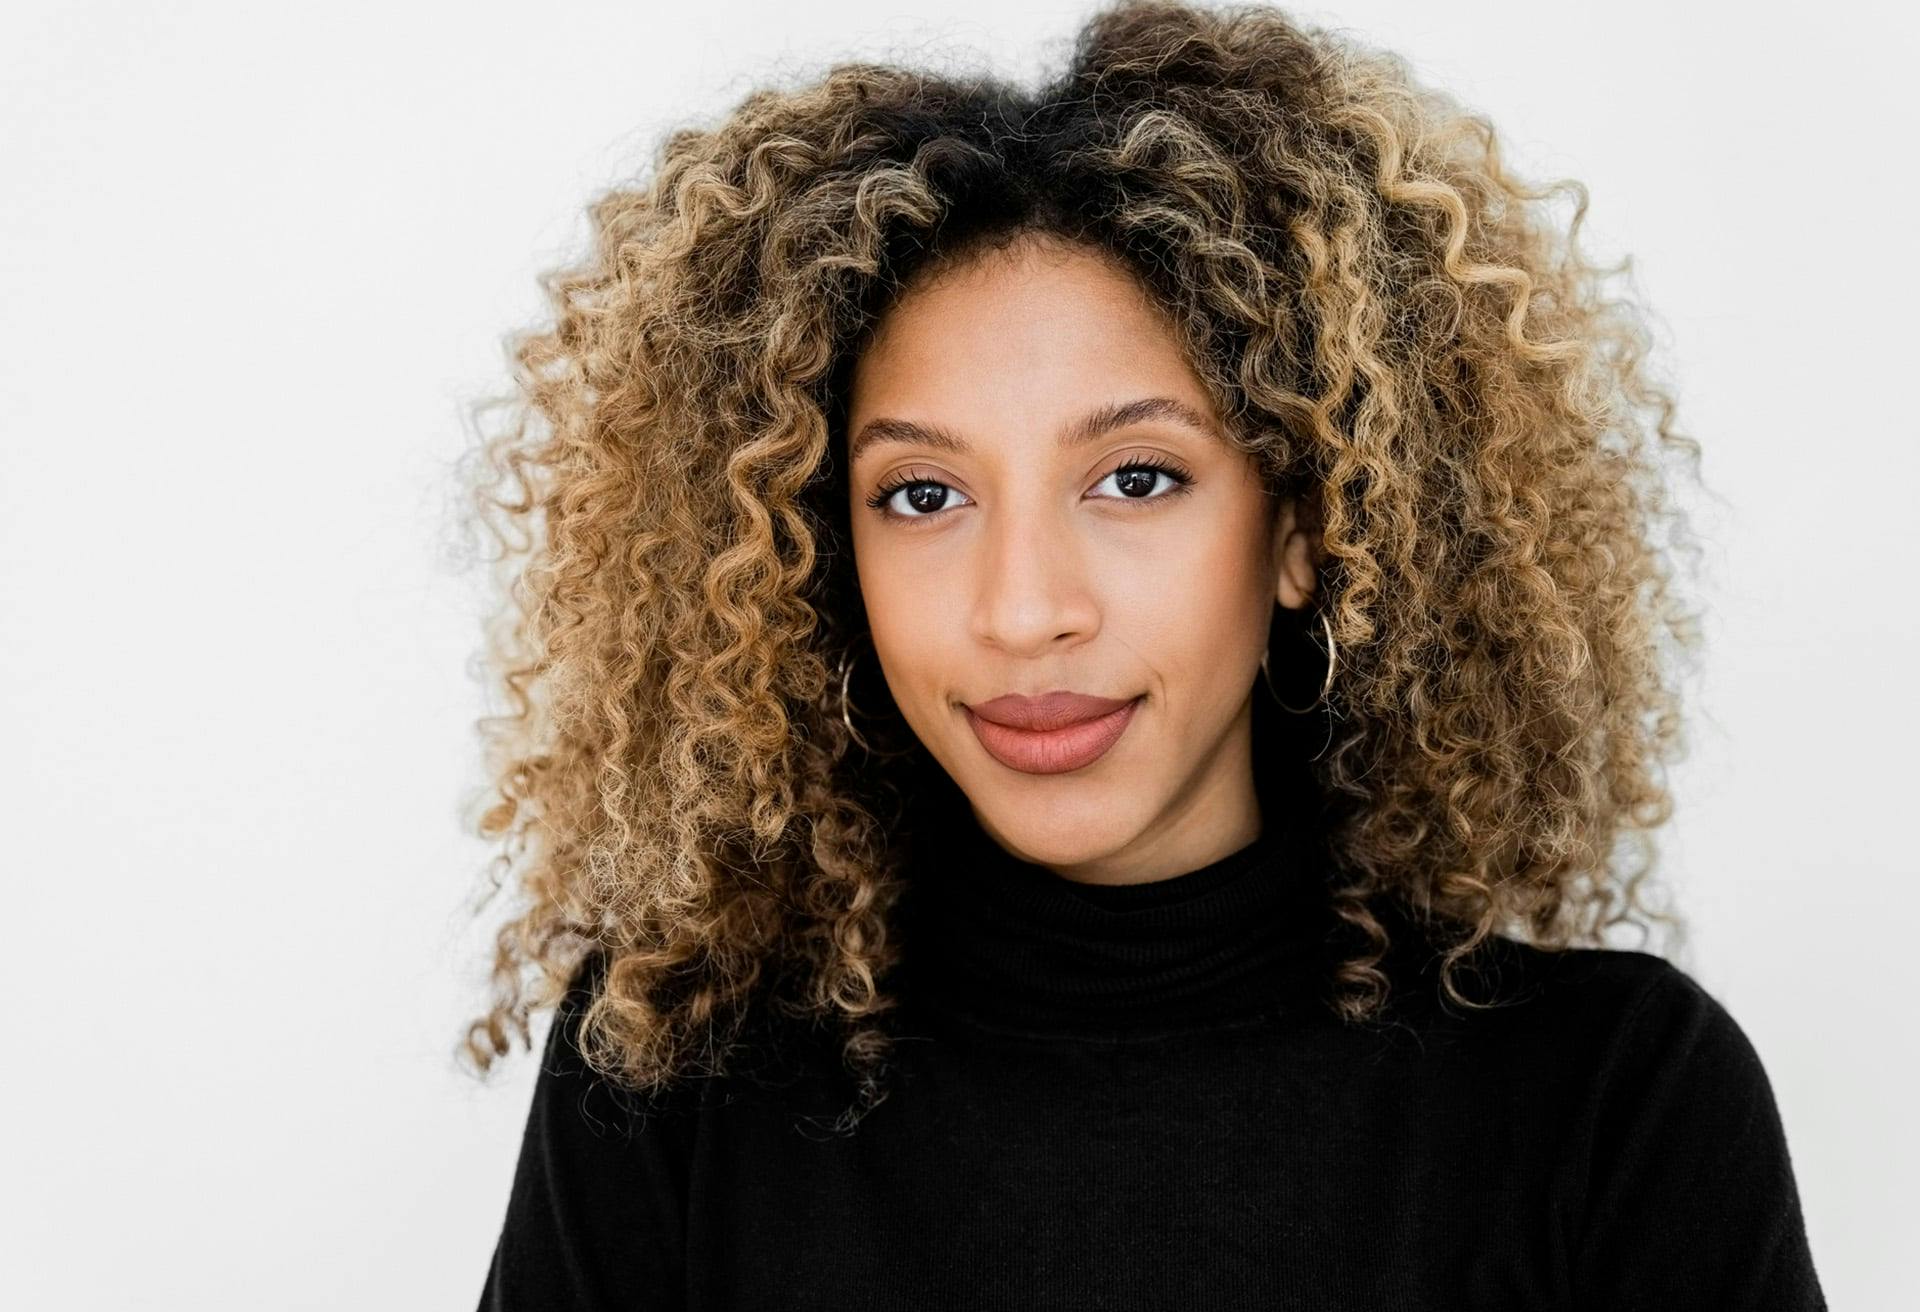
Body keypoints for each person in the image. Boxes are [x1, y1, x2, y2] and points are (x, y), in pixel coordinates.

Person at [458, 1, 1825, 1306]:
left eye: (1135, 479)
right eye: (923, 496)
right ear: (826, 554)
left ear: (1302, 526)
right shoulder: (675, 1082)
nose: (1022, 609)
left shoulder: (1609, 1103)